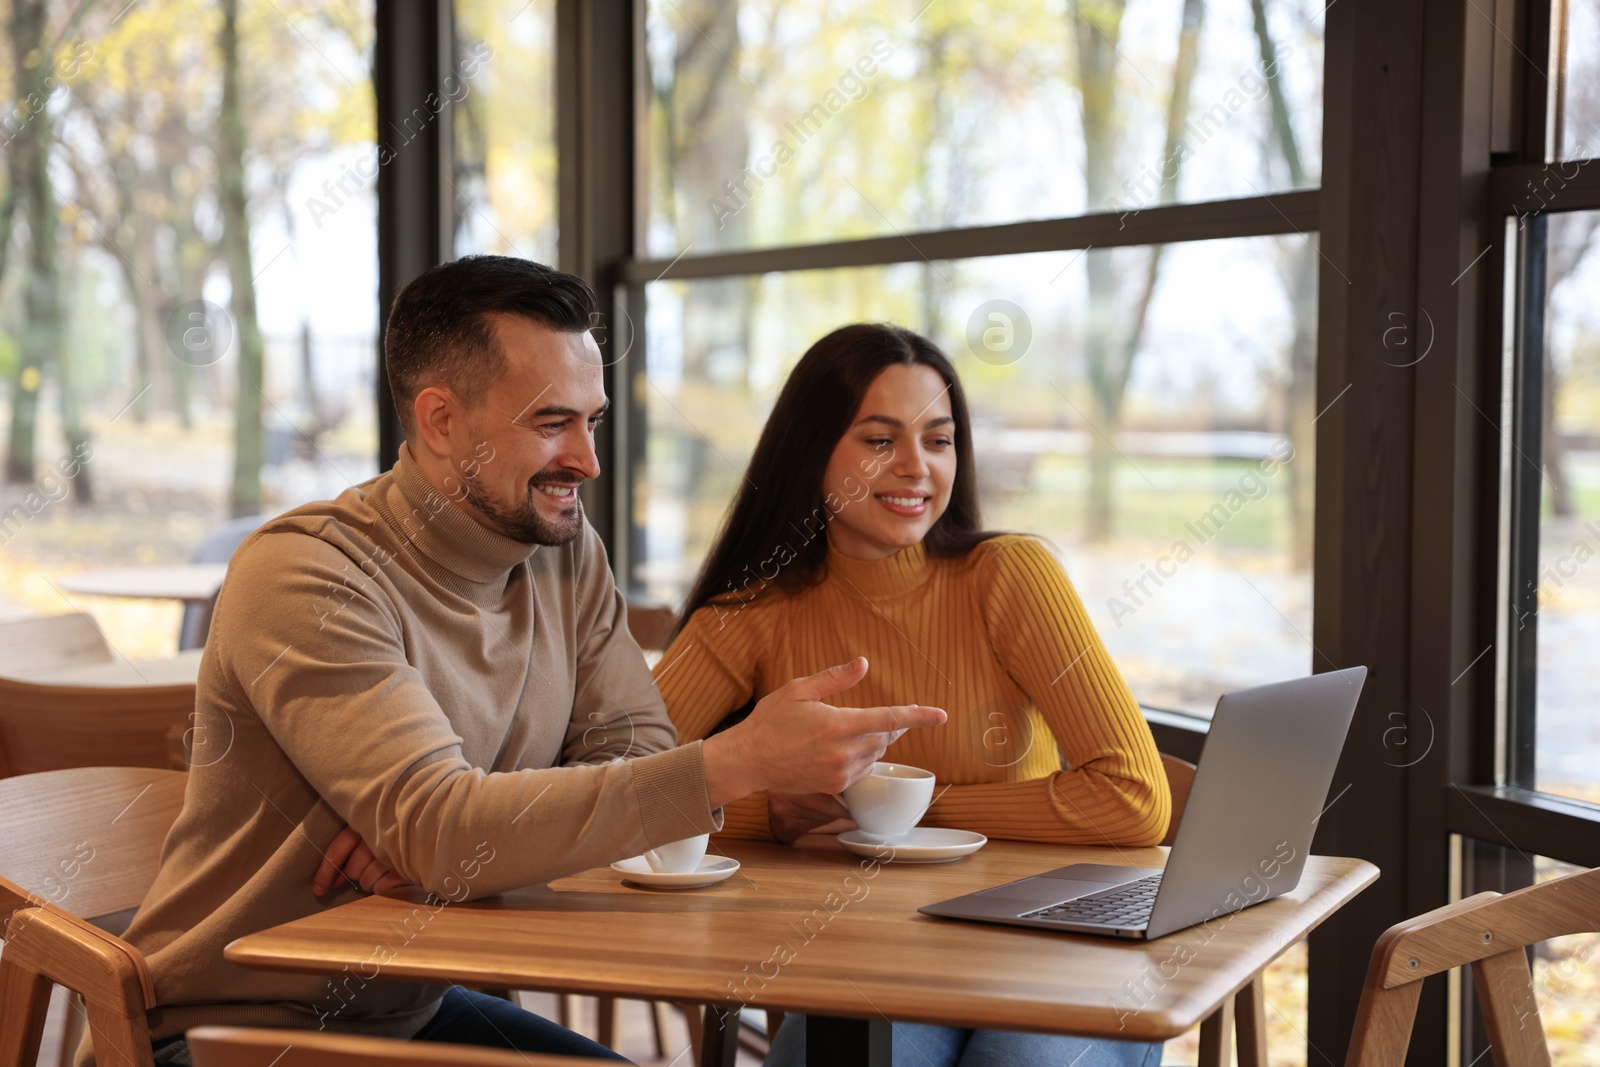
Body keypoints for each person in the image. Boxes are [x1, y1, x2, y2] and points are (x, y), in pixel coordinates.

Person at [114, 258, 945, 1067]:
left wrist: (453, 844)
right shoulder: (308, 575)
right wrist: (732, 763)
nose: (586, 458)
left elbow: (633, 759)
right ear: (440, 421)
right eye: (553, 423)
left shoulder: (564, 550)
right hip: (231, 1029)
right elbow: (450, 828)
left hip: (408, 1005)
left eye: (594, 421)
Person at [657, 323, 1170, 1067]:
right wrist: (771, 809)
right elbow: (611, 793)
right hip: (869, 955)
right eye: (878, 440)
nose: (917, 468)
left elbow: (1133, 797)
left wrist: (892, 809)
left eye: (939, 439)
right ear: (811, 450)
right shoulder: (751, 617)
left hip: (1052, 942)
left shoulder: (1011, 577)